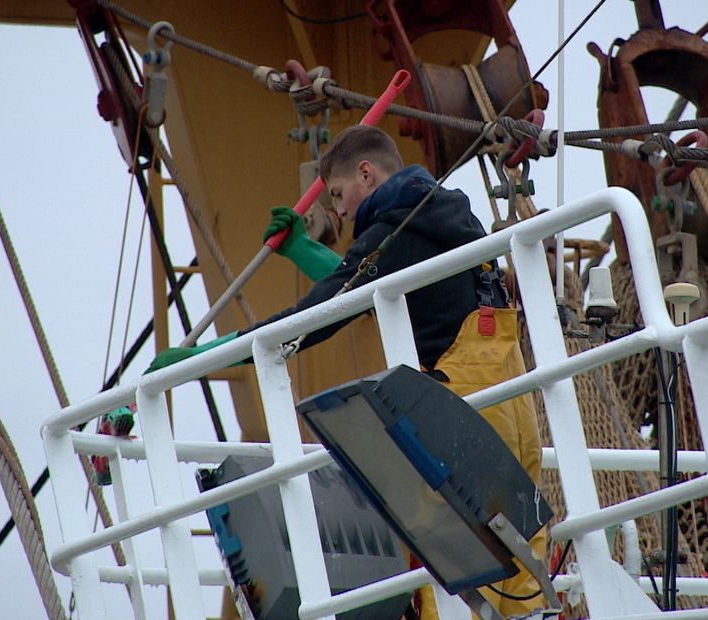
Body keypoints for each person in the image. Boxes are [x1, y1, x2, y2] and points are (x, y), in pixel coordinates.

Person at [149, 125, 545, 617]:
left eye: (338, 194)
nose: (337, 211)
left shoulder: (398, 227)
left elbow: (320, 314)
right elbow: (360, 288)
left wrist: (207, 356)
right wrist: (302, 249)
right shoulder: (440, 216)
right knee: (521, 560)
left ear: (366, 173)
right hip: (512, 406)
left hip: (462, 409)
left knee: (437, 556)